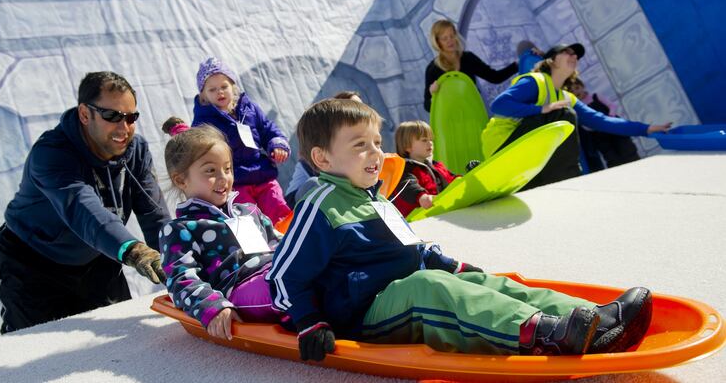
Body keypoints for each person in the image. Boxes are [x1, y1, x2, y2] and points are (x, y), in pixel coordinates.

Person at [267, 98, 653, 362]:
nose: (376, 154)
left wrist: (455, 266)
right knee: (429, 288)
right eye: (359, 145)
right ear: (323, 158)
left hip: (401, 290)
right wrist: (309, 322)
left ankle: (594, 319)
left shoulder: (375, 198)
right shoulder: (320, 204)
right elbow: (283, 275)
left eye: (376, 143)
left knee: (487, 284)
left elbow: (413, 248)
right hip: (364, 314)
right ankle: (542, 334)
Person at [0, 71, 171, 334]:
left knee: (123, 339)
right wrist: (135, 251)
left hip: (97, 258)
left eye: (131, 117)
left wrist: (177, 261)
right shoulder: (51, 153)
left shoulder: (136, 150)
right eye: (112, 116)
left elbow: (154, 212)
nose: (124, 128)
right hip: (34, 264)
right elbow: (84, 210)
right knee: (32, 348)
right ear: (85, 114)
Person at [481, 43, 671, 190]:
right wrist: (542, 109)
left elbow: (601, 121)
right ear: (552, 61)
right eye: (567, 52)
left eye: (576, 55)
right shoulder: (535, 81)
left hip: (525, 151)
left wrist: (646, 129)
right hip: (503, 147)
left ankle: (548, 179)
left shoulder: (566, 97)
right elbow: (499, 104)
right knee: (563, 113)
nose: (574, 57)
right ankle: (567, 177)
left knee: (564, 112)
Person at [159, 118, 283, 340]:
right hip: (242, 288)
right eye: (210, 171)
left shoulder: (248, 212)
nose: (223, 177)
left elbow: (280, 244)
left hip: (277, 271)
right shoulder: (181, 229)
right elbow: (180, 278)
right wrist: (212, 306)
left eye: (227, 168)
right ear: (181, 180)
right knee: (288, 282)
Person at [191, 57, 292, 225]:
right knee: (248, 220)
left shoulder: (248, 108)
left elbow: (267, 128)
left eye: (224, 86)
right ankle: (258, 249)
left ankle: (290, 240)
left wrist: (276, 143)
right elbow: (198, 149)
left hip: (262, 174)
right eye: (212, 89)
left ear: (233, 86)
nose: (220, 92)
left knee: (278, 210)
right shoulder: (204, 120)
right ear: (204, 95)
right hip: (235, 182)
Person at [284, 90, 363, 208]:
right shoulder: (324, 145)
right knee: (315, 183)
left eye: (362, 107)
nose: (361, 110)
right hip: (306, 201)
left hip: (341, 199)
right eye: (355, 106)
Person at [424, 19, 518, 112]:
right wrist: (433, 95)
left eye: (452, 36)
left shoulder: (468, 58)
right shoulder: (433, 69)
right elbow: (427, 106)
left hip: (475, 111)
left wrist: (517, 65)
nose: (450, 41)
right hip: (452, 119)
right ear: (437, 42)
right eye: (444, 38)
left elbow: (495, 77)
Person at [567, 78, 641, 172]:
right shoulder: (578, 108)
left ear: (582, 86)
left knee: (627, 149)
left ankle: (637, 168)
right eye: (571, 91)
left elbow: (612, 106)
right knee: (612, 158)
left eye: (577, 88)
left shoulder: (595, 96)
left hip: (614, 128)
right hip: (599, 135)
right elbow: (582, 123)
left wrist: (609, 118)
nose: (576, 92)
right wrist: (593, 127)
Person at [392, 120, 459, 217]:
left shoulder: (435, 166)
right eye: (424, 140)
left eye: (431, 139)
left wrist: (464, 179)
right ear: (407, 146)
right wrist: (420, 196)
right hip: (416, 218)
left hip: (437, 212)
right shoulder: (404, 169)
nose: (430, 143)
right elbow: (408, 185)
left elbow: (451, 179)